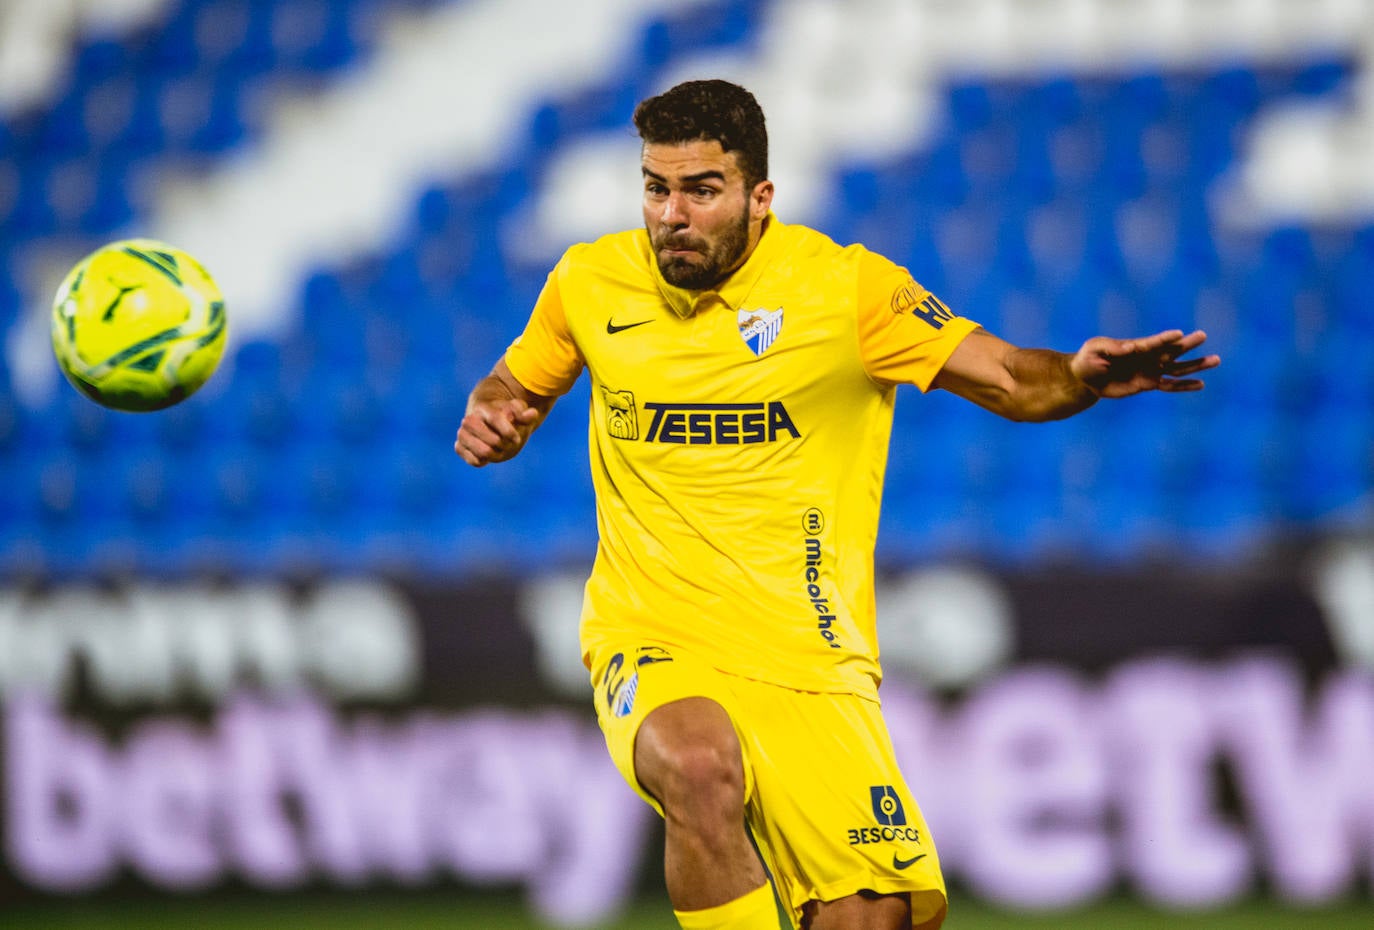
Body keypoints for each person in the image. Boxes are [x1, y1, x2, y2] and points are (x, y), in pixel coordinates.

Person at [454, 79, 1219, 930]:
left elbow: (1007, 378)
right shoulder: (589, 283)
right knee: (700, 765)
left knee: (875, 917)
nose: (671, 213)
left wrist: (1076, 379)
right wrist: (495, 409)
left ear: (760, 197)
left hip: (810, 662)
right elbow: (515, 381)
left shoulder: (846, 291)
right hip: (655, 632)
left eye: (701, 190)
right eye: (655, 188)